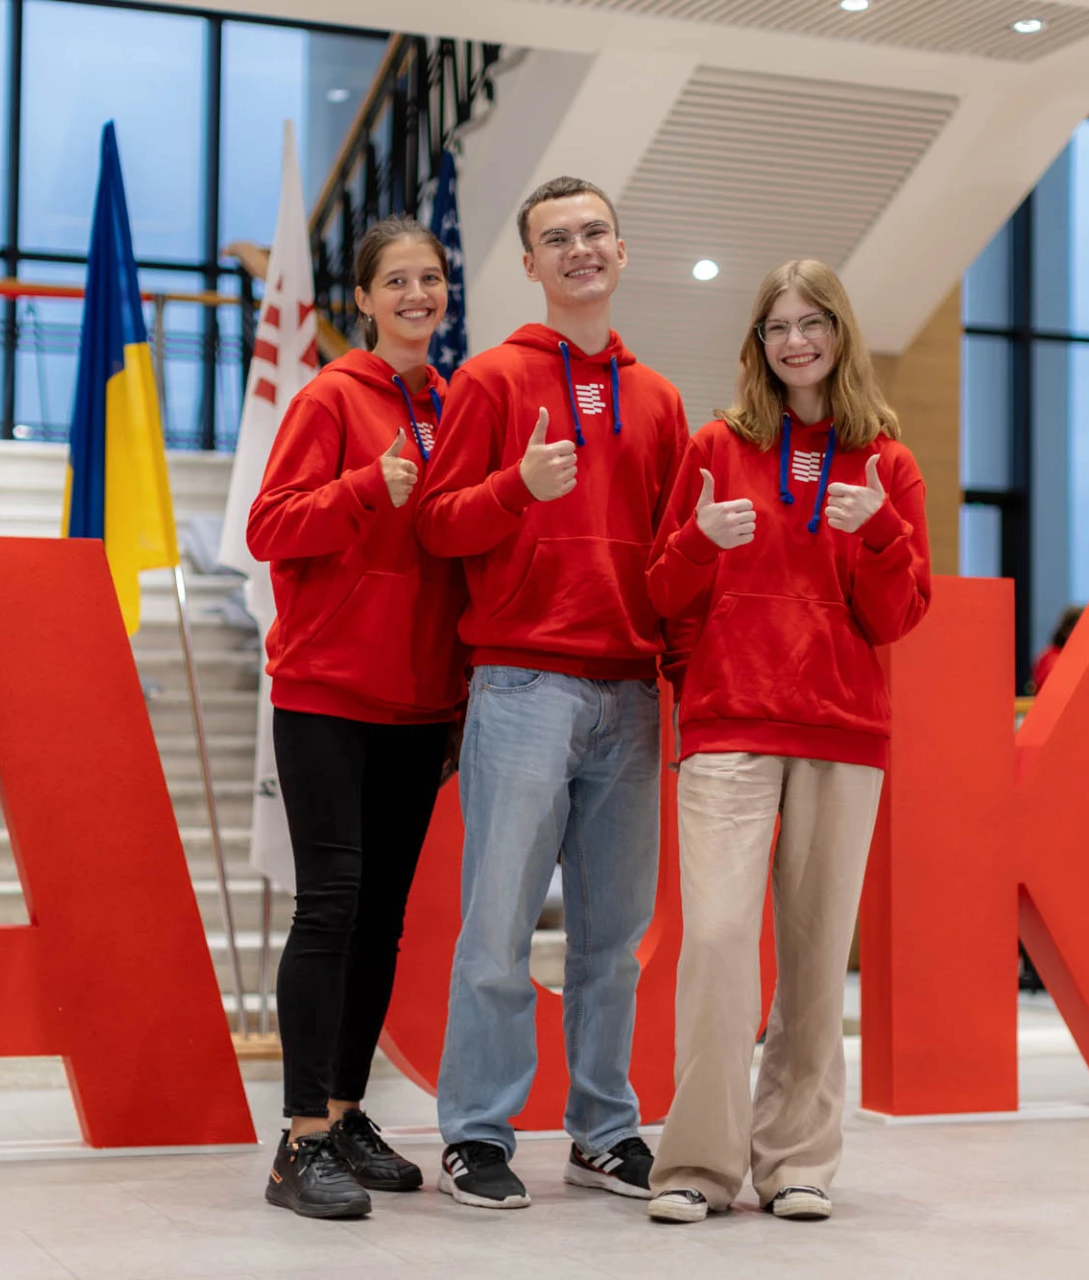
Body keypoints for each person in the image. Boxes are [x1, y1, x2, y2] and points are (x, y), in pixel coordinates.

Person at [415, 176, 688, 1209]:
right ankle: (477, 1130)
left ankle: (604, 1128)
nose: (579, 250)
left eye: (594, 233)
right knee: (497, 927)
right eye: (555, 238)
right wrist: (517, 487)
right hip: (521, 681)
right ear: (528, 265)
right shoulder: (486, 381)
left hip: (628, 690)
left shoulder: (659, 399)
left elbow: (669, 558)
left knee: (614, 937)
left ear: (622, 249)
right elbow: (439, 525)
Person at [643, 259, 931, 1224]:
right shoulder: (715, 446)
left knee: (814, 960)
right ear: (756, 344)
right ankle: (697, 1166)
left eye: (813, 323)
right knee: (719, 943)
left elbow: (896, 619)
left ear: (841, 334)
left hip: (843, 733)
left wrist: (883, 534)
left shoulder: (887, 462)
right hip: (731, 722)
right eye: (777, 326)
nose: (795, 340)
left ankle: (798, 1161)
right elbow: (661, 593)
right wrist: (698, 548)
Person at [245, 216, 467, 1219]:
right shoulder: (333, 397)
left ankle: (342, 1111)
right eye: (398, 281)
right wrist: (362, 488)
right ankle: (295, 1143)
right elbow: (269, 525)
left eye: (432, 279)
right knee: (332, 903)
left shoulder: (457, 406)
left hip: (423, 699)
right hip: (328, 689)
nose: (418, 295)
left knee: (380, 922)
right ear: (366, 299)